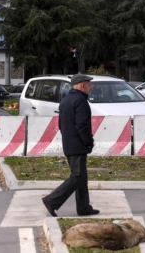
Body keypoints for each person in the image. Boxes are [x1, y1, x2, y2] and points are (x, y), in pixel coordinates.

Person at [43, 74, 99, 217]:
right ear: (82, 86)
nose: (90, 88)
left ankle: (84, 208)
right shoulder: (81, 101)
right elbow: (82, 125)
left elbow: (61, 124)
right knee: (78, 177)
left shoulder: (66, 100)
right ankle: (52, 200)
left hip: (69, 142)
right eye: (89, 85)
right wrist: (88, 142)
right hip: (78, 144)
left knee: (81, 177)